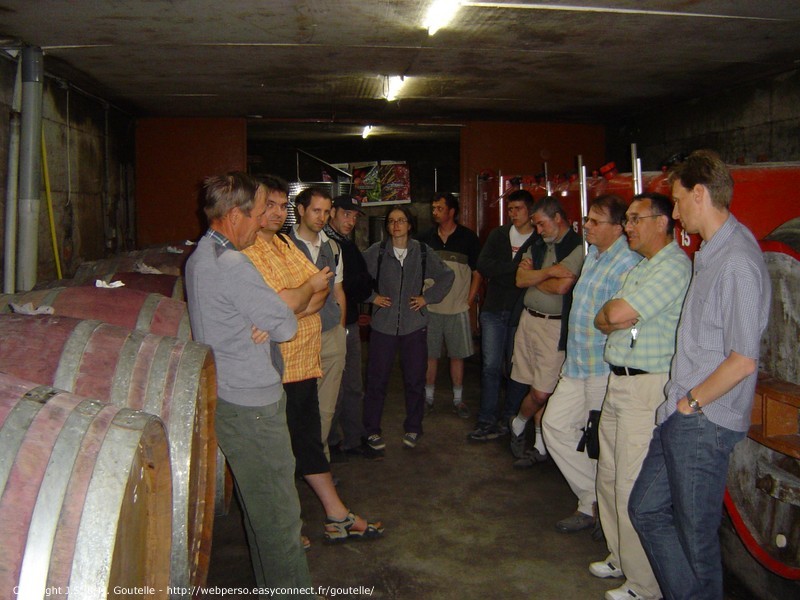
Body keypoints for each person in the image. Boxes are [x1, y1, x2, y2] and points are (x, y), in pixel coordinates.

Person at [629, 150, 771, 600]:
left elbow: (743, 358)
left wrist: (691, 403)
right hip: (682, 414)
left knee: (697, 544)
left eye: (676, 200)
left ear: (700, 193)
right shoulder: (712, 252)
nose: (673, 212)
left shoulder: (738, 261)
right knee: (645, 510)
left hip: (702, 422)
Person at [184, 172, 311, 593]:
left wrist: (267, 314)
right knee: (278, 517)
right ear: (235, 215)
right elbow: (287, 325)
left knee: (261, 514)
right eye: (258, 214)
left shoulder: (202, 254)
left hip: (230, 397)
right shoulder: (233, 264)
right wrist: (274, 313)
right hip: (254, 407)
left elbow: (270, 317)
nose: (262, 222)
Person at [243, 175, 383, 543]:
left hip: (301, 363)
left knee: (306, 441)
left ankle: (336, 515)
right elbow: (284, 302)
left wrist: (293, 306)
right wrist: (299, 300)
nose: (275, 212)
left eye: (279, 205)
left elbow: (321, 293)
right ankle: (283, 529)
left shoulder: (284, 249)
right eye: (267, 205)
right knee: (279, 448)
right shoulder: (247, 252)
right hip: (275, 367)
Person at [590, 193, 691, 600]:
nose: (628, 227)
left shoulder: (673, 267)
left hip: (645, 385)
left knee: (631, 483)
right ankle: (619, 556)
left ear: (663, 222)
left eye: (635, 219)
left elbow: (612, 316)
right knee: (609, 474)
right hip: (620, 382)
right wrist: (610, 316)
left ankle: (644, 583)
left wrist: (611, 316)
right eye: (627, 219)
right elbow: (606, 317)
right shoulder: (644, 267)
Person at [541, 195, 640, 533]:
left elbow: (624, 320)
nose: (588, 226)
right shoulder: (594, 256)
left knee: (604, 446)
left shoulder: (628, 263)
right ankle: (593, 496)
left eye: (596, 222)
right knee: (553, 426)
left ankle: (596, 507)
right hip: (576, 365)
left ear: (618, 227)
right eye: (588, 219)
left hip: (602, 368)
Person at [362, 205, 454, 452]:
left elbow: (447, 276)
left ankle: (414, 427)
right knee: (376, 381)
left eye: (401, 220)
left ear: (410, 225)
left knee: (415, 380)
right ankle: (371, 430)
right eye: (391, 221)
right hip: (383, 326)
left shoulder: (422, 252)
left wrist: (427, 298)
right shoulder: (377, 252)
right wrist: (372, 298)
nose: (396, 225)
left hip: (414, 326)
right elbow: (355, 276)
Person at [507, 196, 583, 467]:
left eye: (541, 224)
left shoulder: (577, 246)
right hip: (529, 321)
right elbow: (519, 279)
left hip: (554, 326)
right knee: (531, 383)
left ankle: (518, 422)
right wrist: (550, 273)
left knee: (542, 391)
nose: (538, 231)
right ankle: (540, 445)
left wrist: (535, 276)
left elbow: (563, 288)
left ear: (558, 218)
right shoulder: (538, 244)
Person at [468, 189, 537, 441]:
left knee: (516, 368)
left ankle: (510, 419)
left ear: (530, 211)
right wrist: (516, 270)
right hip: (494, 309)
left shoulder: (537, 240)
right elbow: (484, 265)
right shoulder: (499, 235)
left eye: (518, 209)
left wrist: (511, 273)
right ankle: (486, 419)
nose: (513, 214)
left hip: (521, 312)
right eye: (510, 209)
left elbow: (534, 276)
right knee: (490, 366)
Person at [288, 187, 346, 461]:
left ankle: (317, 463)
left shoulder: (333, 248)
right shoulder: (282, 247)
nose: (322, 217)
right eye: (316, 210)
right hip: (297, 338)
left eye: (326, 211)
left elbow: (338, 292)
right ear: (301, 210)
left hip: (331, 335)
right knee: (297, 405)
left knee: (326, 408)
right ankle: (296, 462)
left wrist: (342, 330)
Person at [417, 193, 482, 419]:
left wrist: (469, 300)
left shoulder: (468, 238)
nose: (434, 212)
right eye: (433, 208)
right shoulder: (425, 239)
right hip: (431, 309)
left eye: (439, 208)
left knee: (457, 356)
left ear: (452, 211)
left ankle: (458, 399)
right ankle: (428, 398)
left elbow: (477, 273)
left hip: (457, 309)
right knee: (430, 355)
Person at [324, 194, 374, 459]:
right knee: (333, 388)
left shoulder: (348, 245)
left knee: (353, 385)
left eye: (355, 216)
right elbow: (350, 286)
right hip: (330, 326)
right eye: (346, 214)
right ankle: (331, 442)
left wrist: (359, 285)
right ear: (333, 212)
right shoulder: (324, 243)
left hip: (351, 323)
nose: (351, 221)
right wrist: (359, 284)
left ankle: (353, 439)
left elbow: (363, 284)